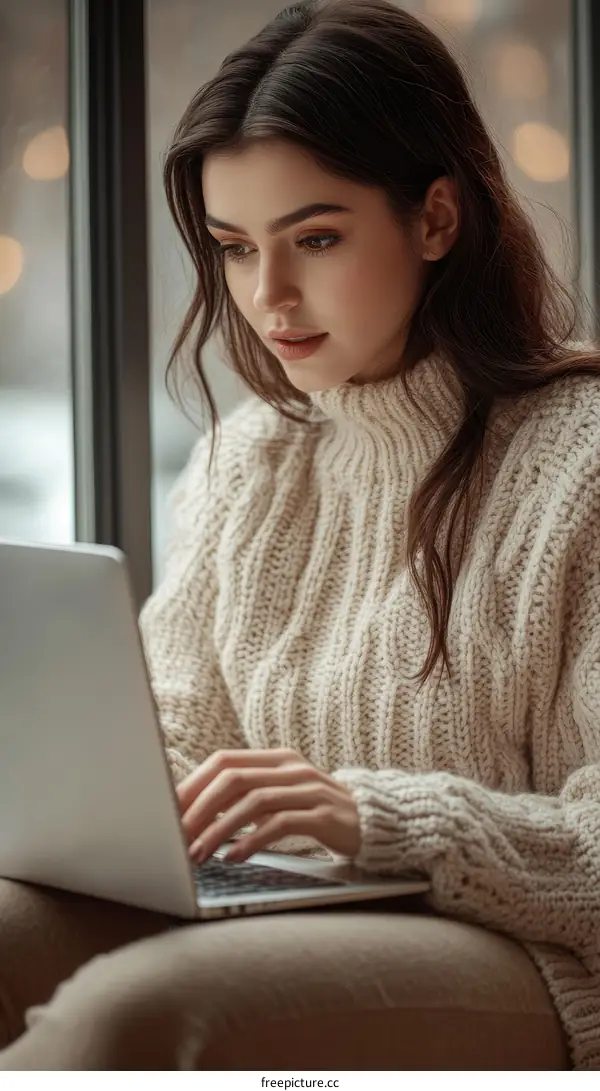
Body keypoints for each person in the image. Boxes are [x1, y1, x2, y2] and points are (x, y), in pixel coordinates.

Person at [1, 0, 598, 1071]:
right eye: (235, 248)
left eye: (315, 238)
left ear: (436, 218)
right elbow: (178, 737)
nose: (267, 295)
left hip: (536, 956)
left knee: (138, 1015)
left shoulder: (580, 462)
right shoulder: (247, 462)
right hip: (281, 910)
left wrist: (375, 816)